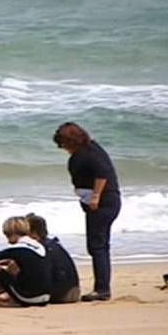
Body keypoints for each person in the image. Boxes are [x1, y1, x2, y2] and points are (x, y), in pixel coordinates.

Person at [54, 122, 121, 302]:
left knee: (97, 246)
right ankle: (102, 287)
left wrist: (96, 197)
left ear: (72, 141)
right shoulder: (90, 149)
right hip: (101, 202)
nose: (63, 148)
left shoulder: (90, 153)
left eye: (64, 144)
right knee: (99, 245)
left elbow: (102, 174)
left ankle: (102, 289)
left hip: (103, 203)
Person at [0, 216, 51, 307]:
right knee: (15, 267)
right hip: (45, 297)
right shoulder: (39, 246)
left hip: (29, 298)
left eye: (7, 235)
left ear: (11, 234)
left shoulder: (17, 249)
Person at [26, 213, 80, 304]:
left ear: (34, 232)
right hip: (73, 291)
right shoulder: (53, 244)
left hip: (61, 295)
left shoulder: (39, 248)